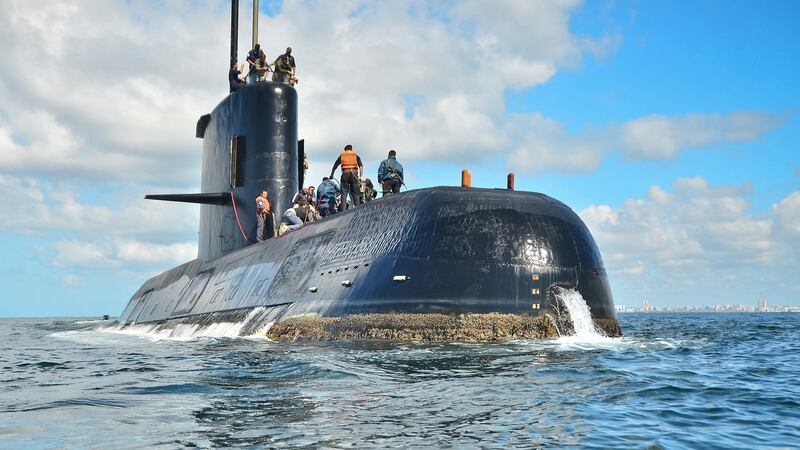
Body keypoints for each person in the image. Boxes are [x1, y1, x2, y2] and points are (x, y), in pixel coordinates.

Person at [330, 144, 364, 212]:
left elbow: (335, 165)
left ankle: (343, 211)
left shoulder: (342, 155)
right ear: (351, 149)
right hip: (354, 174)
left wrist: (332, 174)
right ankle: (358, 210)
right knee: (355, 193)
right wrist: (361, 176)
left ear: (345, 150)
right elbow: (361, 166)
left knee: (344, 193)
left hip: (345, 174)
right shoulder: (355, 155)